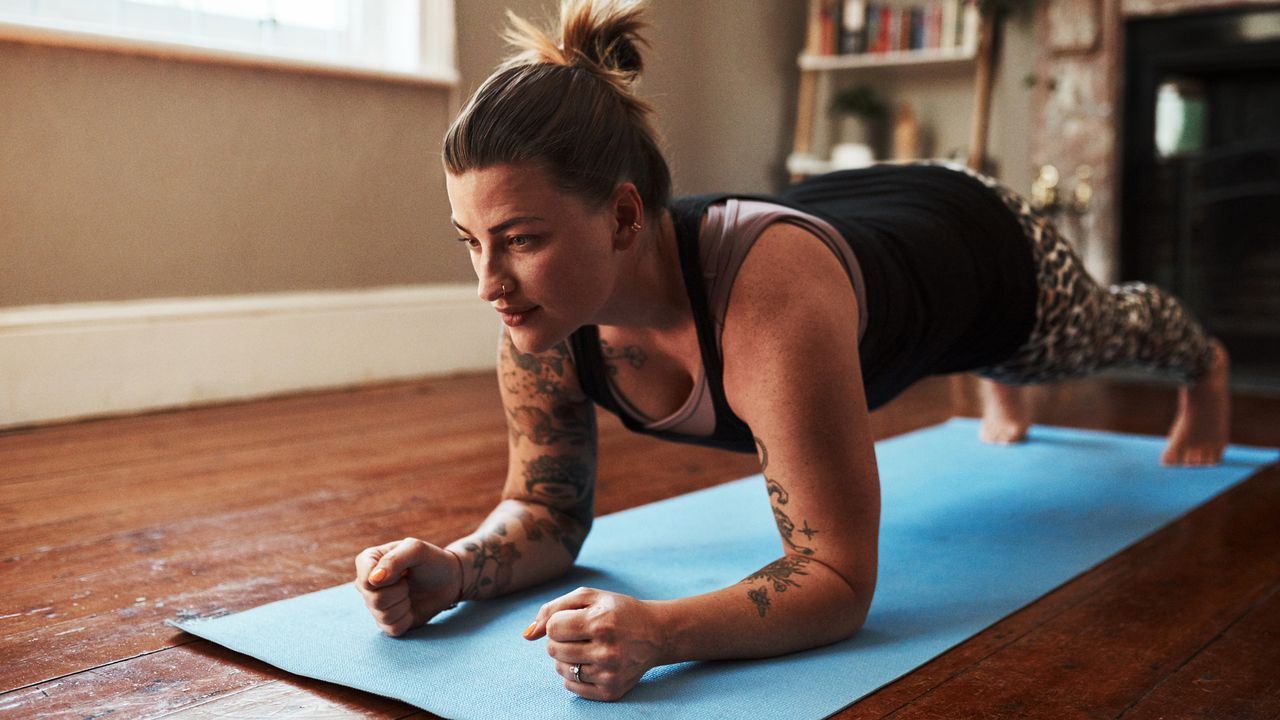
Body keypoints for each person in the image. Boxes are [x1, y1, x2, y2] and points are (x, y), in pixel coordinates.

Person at [353, 0, 1231, 702]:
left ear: (624, 216)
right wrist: (459, 568)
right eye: (470, 241)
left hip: (976, 242)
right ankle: (988, 371)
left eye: (519, 239)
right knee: (966, 354)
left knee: (1097, 338)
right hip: (857, 219)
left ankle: (1205, 366)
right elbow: (544, 512)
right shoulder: (545, 319)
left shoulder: (768, 299)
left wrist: (660, 631)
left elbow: (838, 577)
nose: (488, 282)